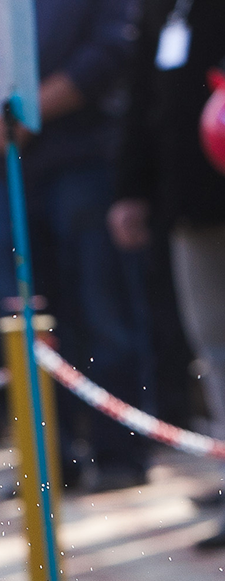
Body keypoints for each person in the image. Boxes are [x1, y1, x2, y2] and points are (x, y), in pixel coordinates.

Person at [0, 0, 153, 491]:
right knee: (23, 319)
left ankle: (118, 453)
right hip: (8, 167)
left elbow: (110, 53)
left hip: (82, 159)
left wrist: (32, 110)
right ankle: (49, 460)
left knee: (99, 310)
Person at [108, 0, 225, 546]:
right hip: (190, 210)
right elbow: (144, 101)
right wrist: (131, 190)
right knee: (214, 348)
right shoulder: (163, 10)